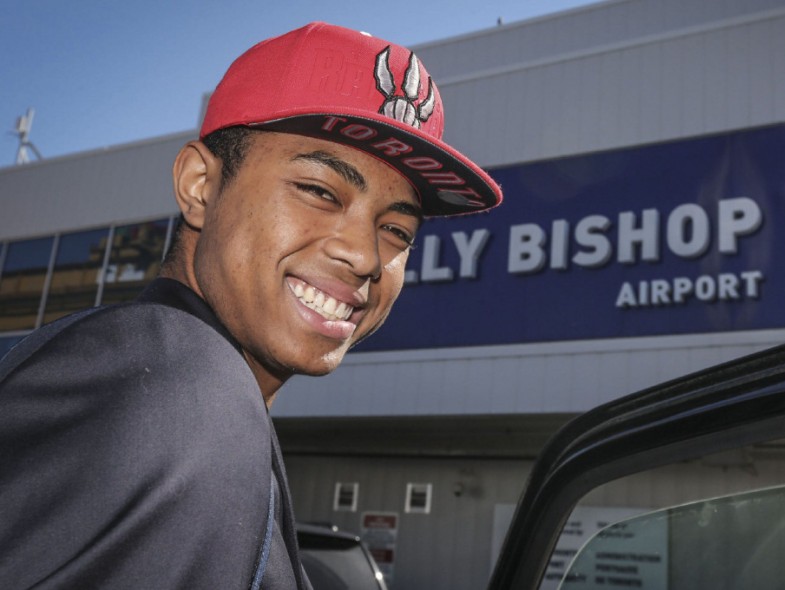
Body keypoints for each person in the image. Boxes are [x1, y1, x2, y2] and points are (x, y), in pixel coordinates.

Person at [0, 22, 501, 589]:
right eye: (319, 191)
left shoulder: (203, 395)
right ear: (199, 186)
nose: (364, 255)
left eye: (396, 231)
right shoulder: (183, 386)